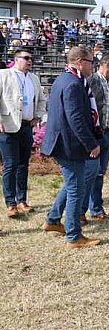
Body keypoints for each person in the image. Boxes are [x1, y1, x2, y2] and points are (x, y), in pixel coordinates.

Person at [41, 47, 102, 247]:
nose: (92, 66)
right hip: (69, 144)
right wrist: (91, 144)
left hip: (64, 142)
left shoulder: (64, 79)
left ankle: (52, 220)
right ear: (79, 61)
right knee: (76, 188)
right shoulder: (74, 84)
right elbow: (75, 118)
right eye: (90, 62)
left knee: (72, 184)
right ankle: (74, 236)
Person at [0, 48, 46, 218]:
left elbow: (41, 99)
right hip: (8, 126)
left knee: (23, 165)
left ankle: (22, 200)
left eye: (31, 58)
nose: (29, 61)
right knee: (10, 165)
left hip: (26, 127)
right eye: (26, 58)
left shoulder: (33, 78)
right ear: (16, 59)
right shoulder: (3, 75)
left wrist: (38, 116)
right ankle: (10, 203)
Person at [85, 54, 109, 220]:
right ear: (107, 64)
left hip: (106, 132)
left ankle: (96, 208)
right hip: (95, 134)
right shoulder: (92, 81)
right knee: (90, 174)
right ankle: (81, 211)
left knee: (99, 174)